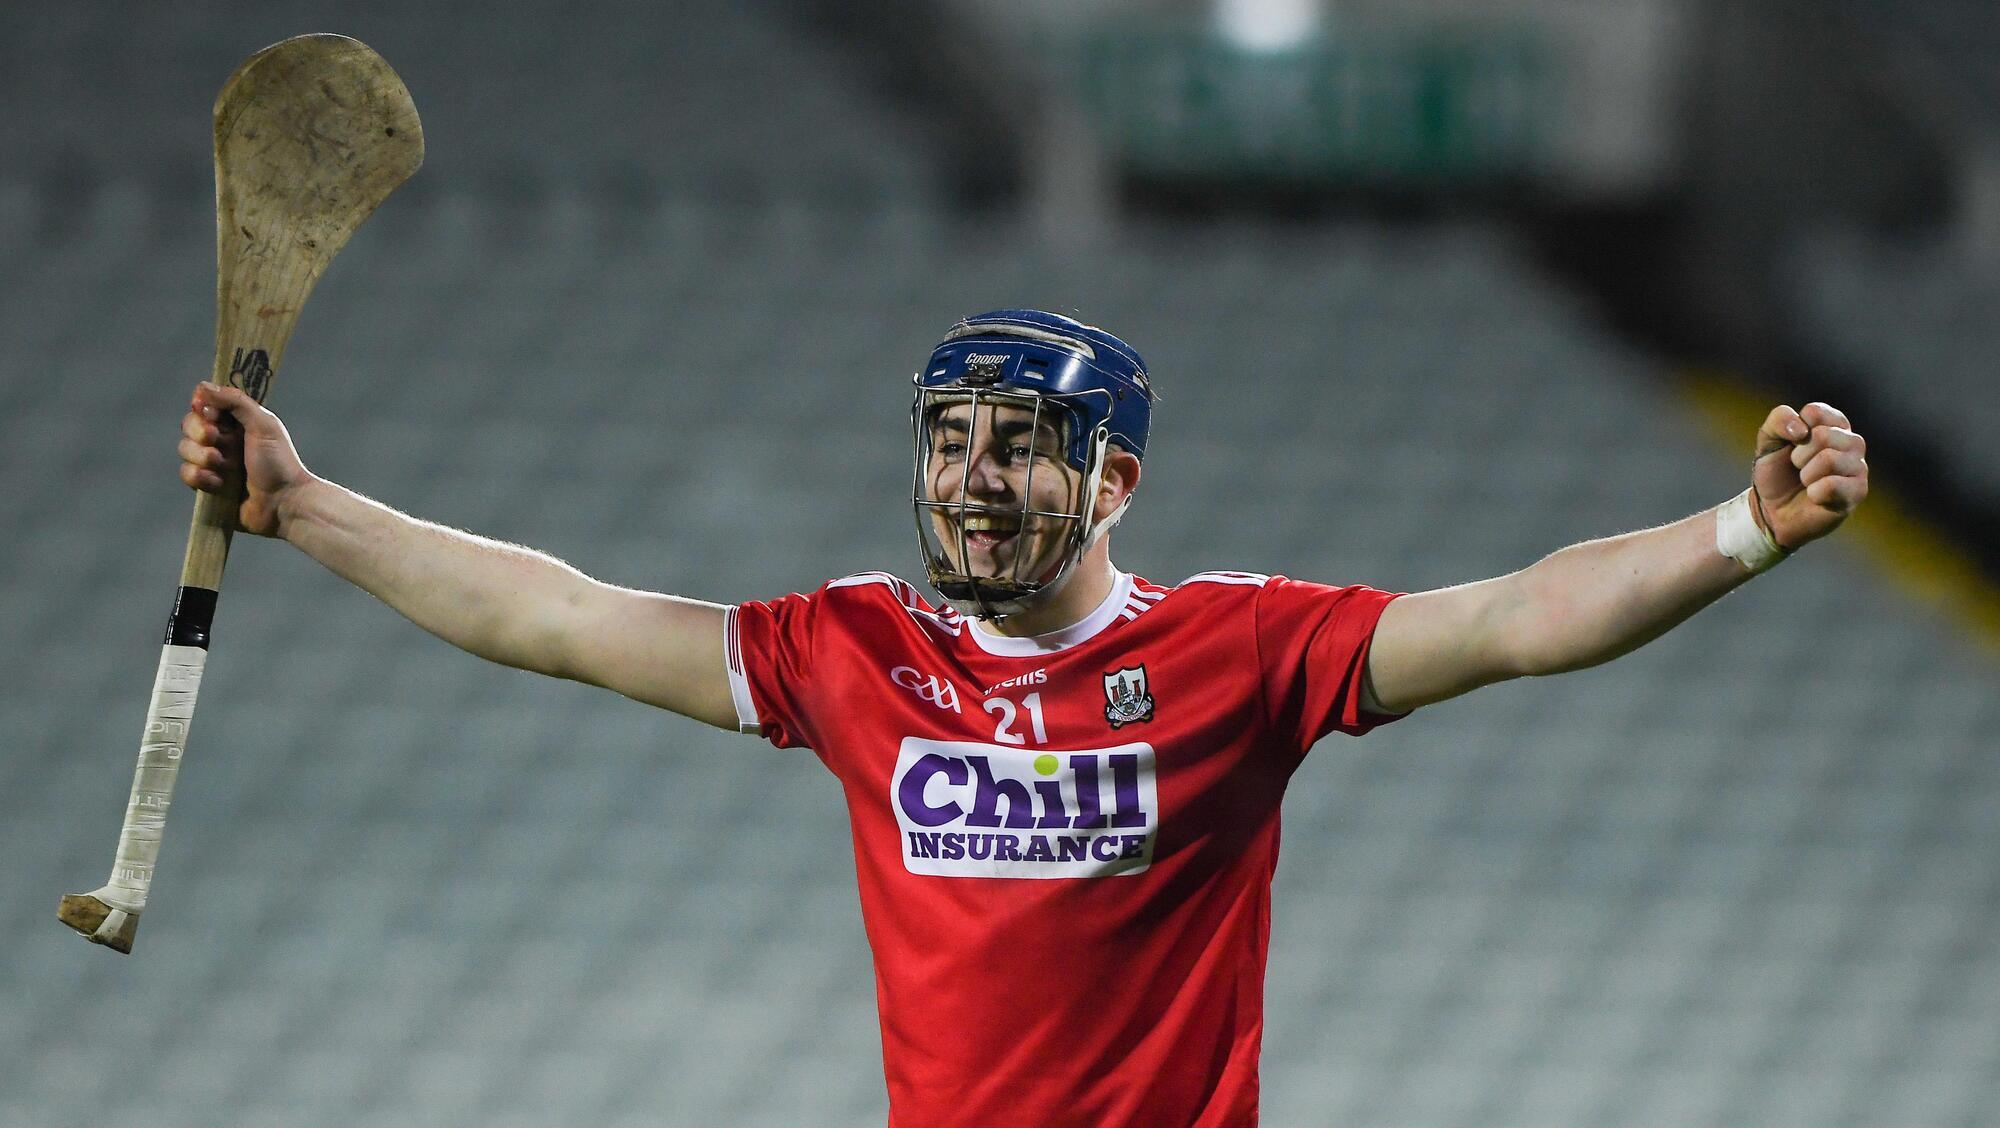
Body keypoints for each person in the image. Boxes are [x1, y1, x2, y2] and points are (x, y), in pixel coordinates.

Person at [177, 309, 1869, 1126]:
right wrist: (306, 507)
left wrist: (1742, 530)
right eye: (949, 442)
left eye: (1018, 446)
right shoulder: (854, 651)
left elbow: (1515, 620)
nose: (974, 480)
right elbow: (558, 615)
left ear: (1114, 480)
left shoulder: (1238, 650)